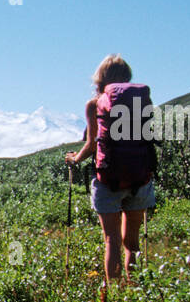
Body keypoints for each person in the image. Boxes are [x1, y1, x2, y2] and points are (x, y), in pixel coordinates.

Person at [64, 54, 156, 283]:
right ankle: (134, 291)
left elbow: (92, 143)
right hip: (139, 178)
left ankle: (115, 296)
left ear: (100, 78)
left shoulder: (94, 104)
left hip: (108, 180)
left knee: (111, 240)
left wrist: (74, 160)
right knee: (132, 243)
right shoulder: (140, 101)